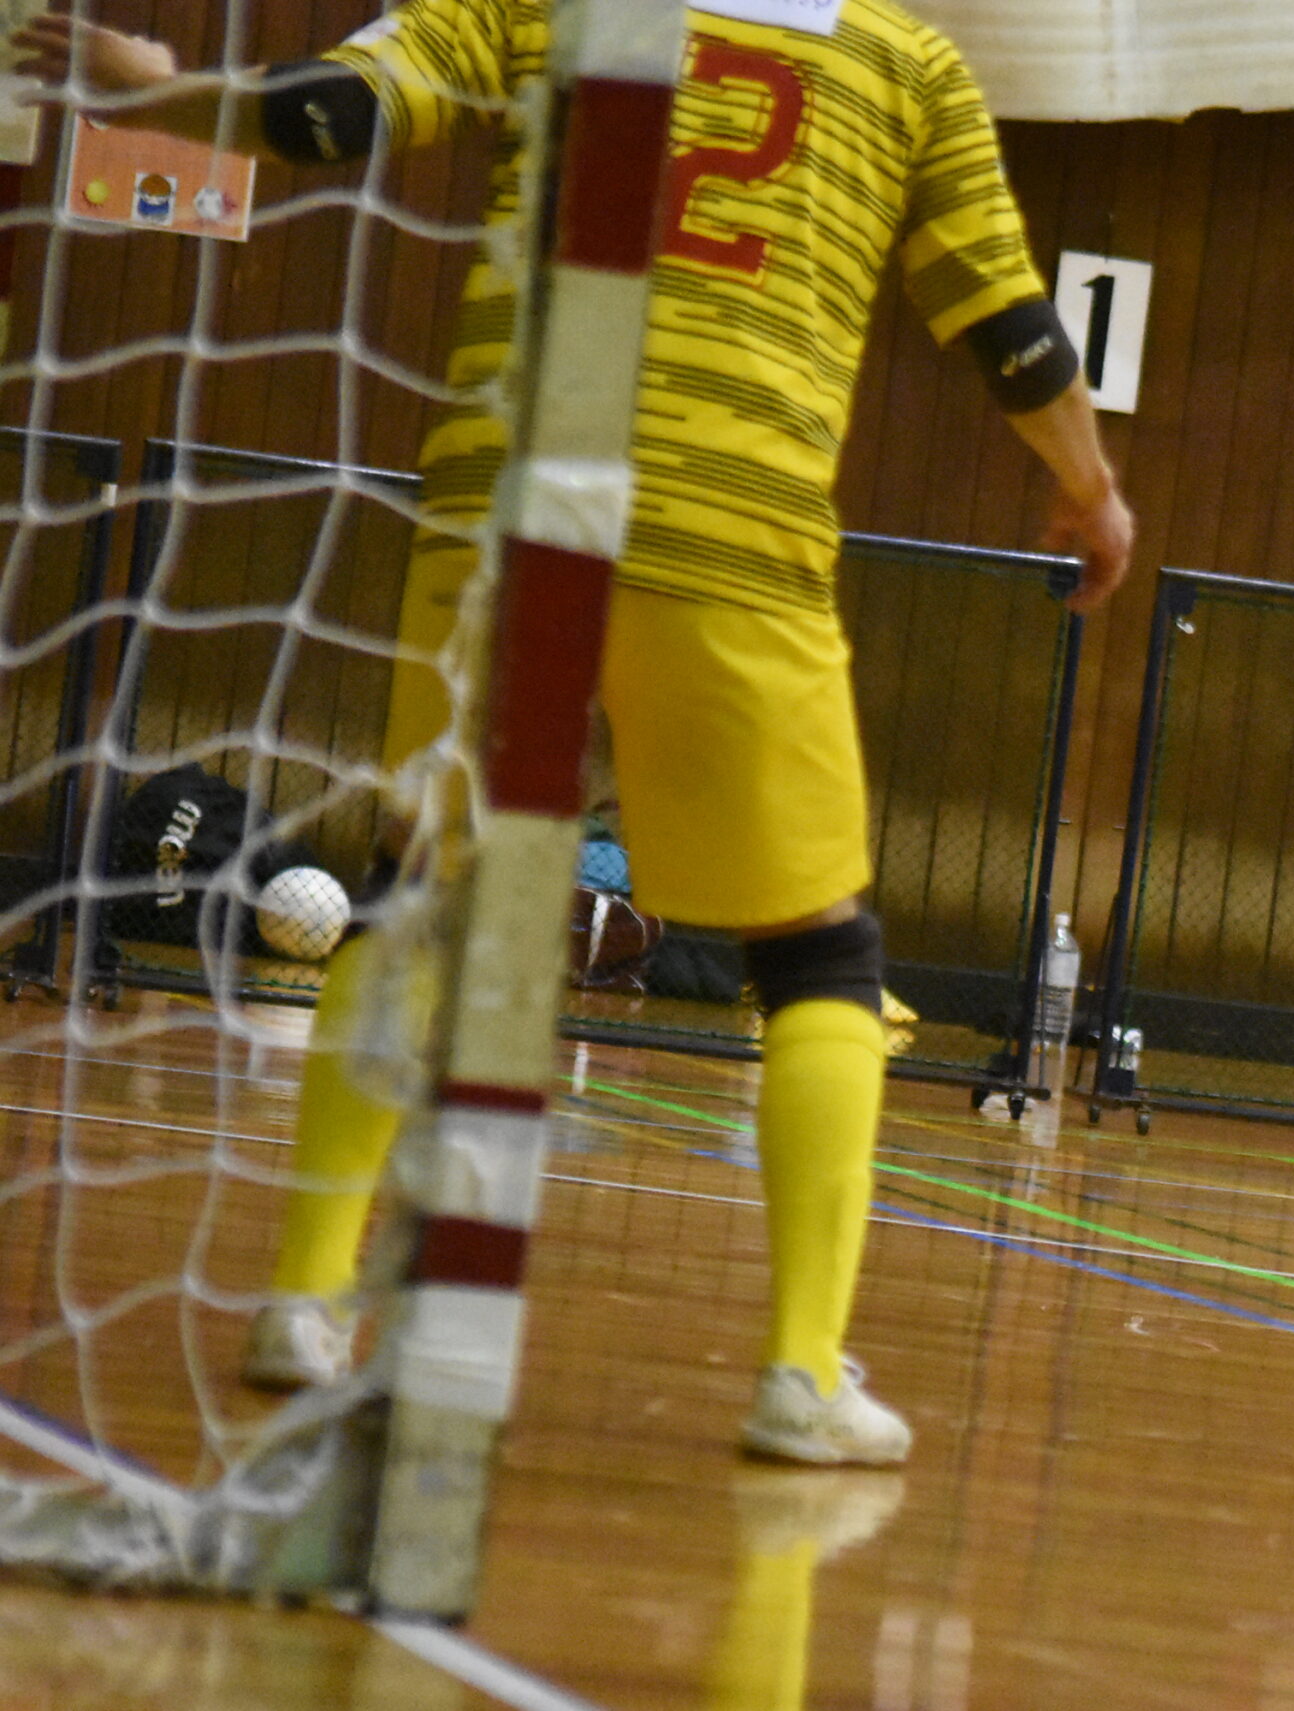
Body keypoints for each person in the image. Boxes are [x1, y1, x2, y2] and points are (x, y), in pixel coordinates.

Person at [18, 0, 1136, 1465]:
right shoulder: (904, 64)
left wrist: (166, 90)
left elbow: (326, 114)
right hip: (727, 530)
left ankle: (303, 1297)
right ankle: (801, 1374)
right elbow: (1010, 327)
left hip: (503, 505)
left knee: (418, 896)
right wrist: (1090, 488)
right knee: (817, 954)